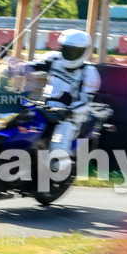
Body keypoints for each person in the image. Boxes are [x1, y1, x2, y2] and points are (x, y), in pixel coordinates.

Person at [27, 29, 101, 166]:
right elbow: (33, 66)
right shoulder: (54, 59)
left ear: (84, 51)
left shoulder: (89, 72)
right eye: (67, 49)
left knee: (63, 130)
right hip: (46, 107)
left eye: (75, 51)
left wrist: (69, 111)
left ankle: (59, 162)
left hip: (71, 113)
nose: (70, 54)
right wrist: (16, 66)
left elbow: (86, 101)